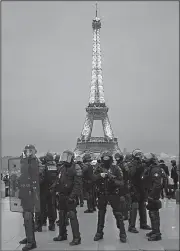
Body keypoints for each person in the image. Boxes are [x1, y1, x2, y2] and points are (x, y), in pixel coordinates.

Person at [93, 151, 127, 243]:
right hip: (102, 193)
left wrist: (113, 181)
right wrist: (100, 176)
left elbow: (121, 183)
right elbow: (93, 178)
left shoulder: (116, 168)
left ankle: (122, 233)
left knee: (118, 214)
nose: (106, 161)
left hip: (113, 193)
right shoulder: (99, 168)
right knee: (101, 214)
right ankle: (99, 232)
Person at [52, 150, 82, 246]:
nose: (65, 159)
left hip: (70, 196)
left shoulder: (76, 167)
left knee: (72, 216)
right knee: (61, 215)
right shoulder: (61, 168)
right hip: (61, 195)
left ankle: (77, 237)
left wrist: (72, 196)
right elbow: (58, 180)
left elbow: (78, 184)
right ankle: (62, 234)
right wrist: (53, 188)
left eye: (66, 157)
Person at [18, 144, 43, 251]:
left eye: (30, 150)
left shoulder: (36, 162)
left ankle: (31, 241)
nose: (28, 152)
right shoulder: (23, 161)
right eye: (27, 150)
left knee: (28, 216)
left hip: (31, 192)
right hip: (24, 192)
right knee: (26, 216)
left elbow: (38, 177)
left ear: (34, 151)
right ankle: (29, 236)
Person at [128, 149, 151, 233]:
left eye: (140, 155)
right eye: (137, 155)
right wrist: (135, 164)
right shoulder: (131, 164)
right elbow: (131, 174)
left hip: (142, 187)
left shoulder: (143, 164)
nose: (139, 157)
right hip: (134, 187)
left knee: (143, 206)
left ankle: (143, 223)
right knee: (134, 206)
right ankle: (131, 226)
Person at [142, 153, 162, 241]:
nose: (144, 161)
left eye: (146, 159)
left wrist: (152, 195)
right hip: (150, 193)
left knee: (154, 213)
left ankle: (157, 233)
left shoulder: (155, 170)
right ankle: (154, 230)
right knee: (152, 212)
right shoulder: (151, 168)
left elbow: (157, 185)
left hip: (153, 195)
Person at [115, 152, 130, 220]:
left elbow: (127, 173)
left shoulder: (123, 164)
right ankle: (124, 213)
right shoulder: (120, 164)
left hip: (123, 184)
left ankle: (125, 214)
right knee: (121, 199)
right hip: (121, 183)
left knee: (123, 200)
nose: (116, 159)